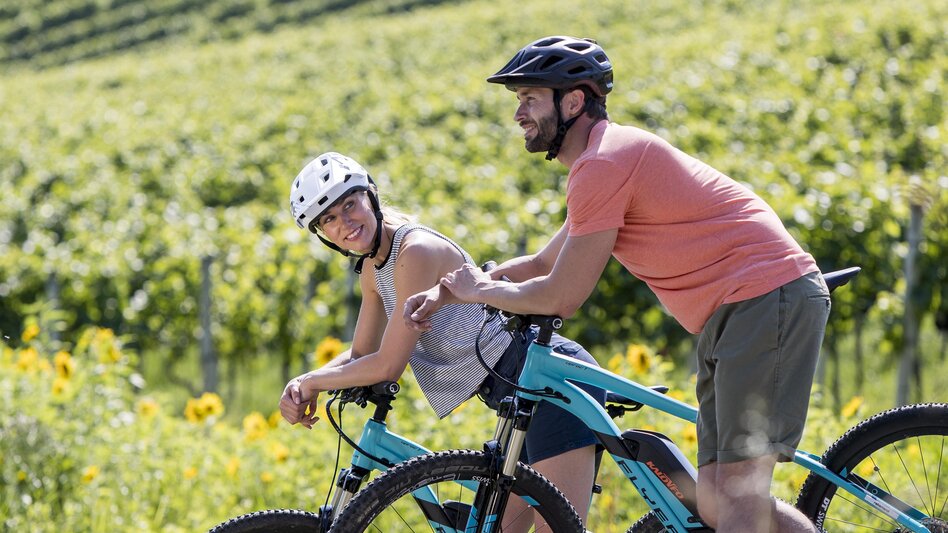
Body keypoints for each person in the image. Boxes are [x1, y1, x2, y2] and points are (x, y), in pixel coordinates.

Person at [404, 36, 831, 532]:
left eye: (530, 99)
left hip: (763, 299)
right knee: (719, 503)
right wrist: (459, 287)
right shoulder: (604, 161)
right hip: (737, 313)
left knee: (735, 504)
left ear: (574, 101)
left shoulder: (604, 163)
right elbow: (545, 261)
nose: (519, 113)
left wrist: (479, 292)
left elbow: (562, 294)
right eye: (517, 101)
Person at [279, 151, 605, 530]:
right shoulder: (372, 268)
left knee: (557, 528)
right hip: (513, 392)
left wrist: (315, 382)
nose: (344, 223)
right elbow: (360, 353)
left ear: (371, 195)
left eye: (350, 205)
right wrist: (304, 381)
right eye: (329, 220)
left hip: (548, 383)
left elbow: (386, 366)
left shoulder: (414, 252)